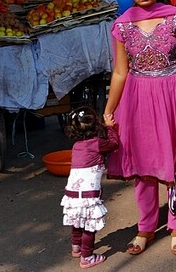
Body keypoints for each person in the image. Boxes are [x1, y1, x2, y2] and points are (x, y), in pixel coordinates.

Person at [103, 0, 176, 257]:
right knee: (143, 167)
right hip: (137, 100)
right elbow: (120, 72)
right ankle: (146, 227)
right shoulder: (122, 25)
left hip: (175, 95)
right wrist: (109, 109)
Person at [61, 106, 119, 269]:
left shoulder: (77, 146)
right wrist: (110, 127)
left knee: (77, 221)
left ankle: (76, 248)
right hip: (87, 194)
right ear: (96, 125)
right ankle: (87, 257)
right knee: (89, 226)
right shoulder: (98, 143)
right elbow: (114, 144)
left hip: (72, 194)